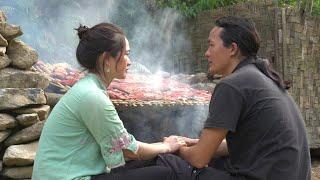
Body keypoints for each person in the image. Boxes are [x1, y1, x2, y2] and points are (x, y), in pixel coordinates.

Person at [32, 23, 186, 180]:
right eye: (125, 54)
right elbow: (128, 150)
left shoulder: (88, 89)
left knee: (159, 162)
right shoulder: (92, 96)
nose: (130, 61)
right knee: (164, 174)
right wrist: (167, 146)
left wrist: (163, 149)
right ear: (106, 59)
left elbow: (123, 147)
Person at [171, 16, 312, 180]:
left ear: (232, 49)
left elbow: (199, 159)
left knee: (175, 168)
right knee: (217, 161)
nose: (206, 53)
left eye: (211, 45)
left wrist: (174, 149)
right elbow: (245, 145)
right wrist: (193, 143)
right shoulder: (262, 77)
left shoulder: (232, 85)